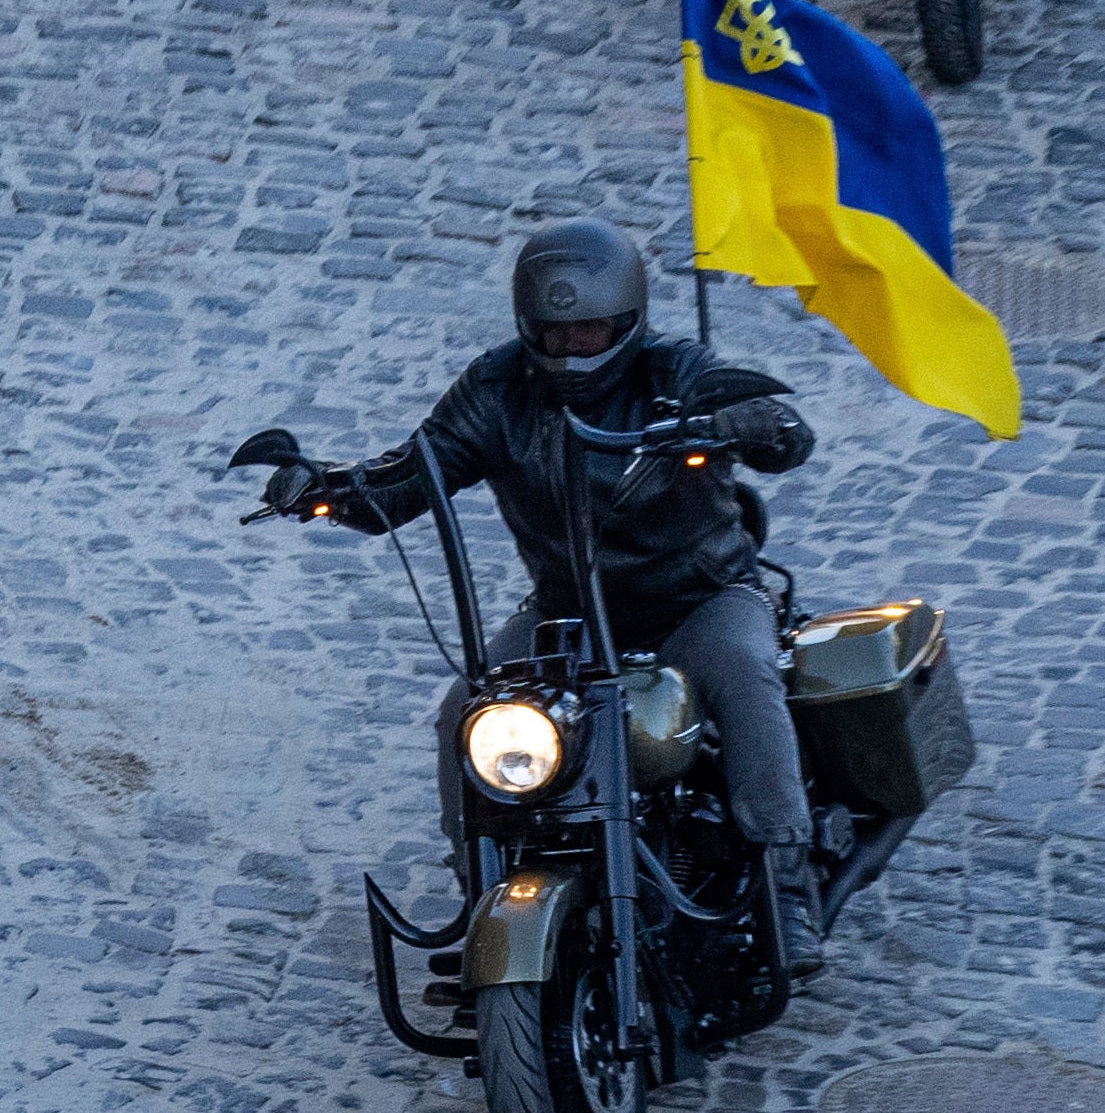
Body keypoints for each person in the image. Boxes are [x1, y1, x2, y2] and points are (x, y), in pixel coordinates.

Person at [347, 219, 817, 880]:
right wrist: (334, 489)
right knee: (465, 706)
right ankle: (479, 880)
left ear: (627, 320)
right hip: (565, 616)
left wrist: (760, 423)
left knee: (743, 671)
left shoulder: (677, 372)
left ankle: (783, 874)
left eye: (588, 329)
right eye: (552, 330)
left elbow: (790, 438)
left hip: (697, 599)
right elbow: (412, 471)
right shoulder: (496, 390)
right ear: (527, 323)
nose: (569, 346)